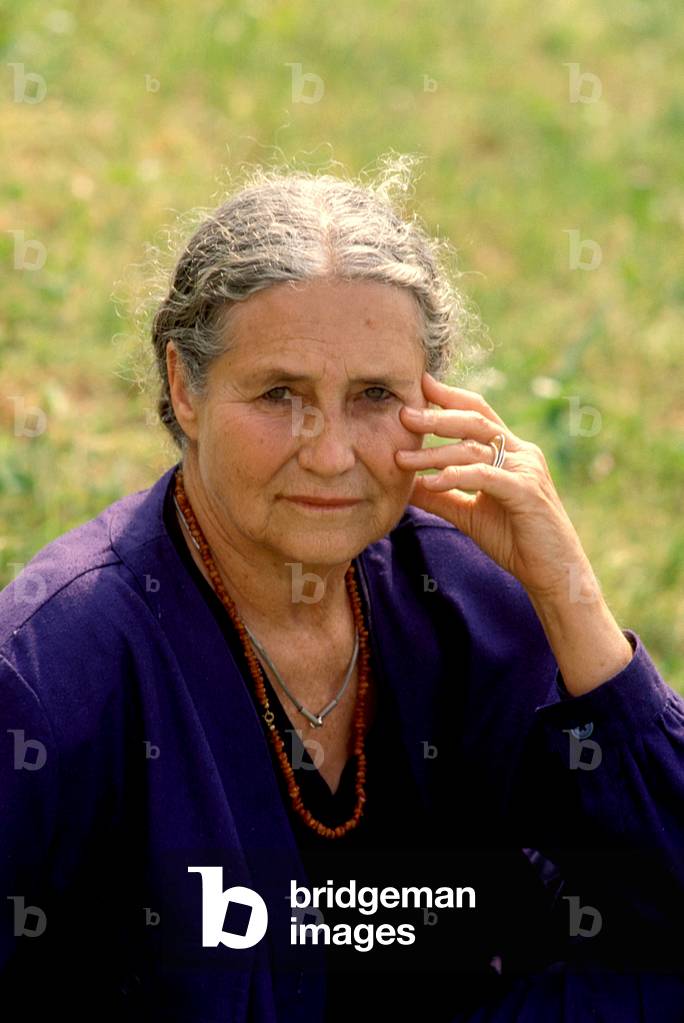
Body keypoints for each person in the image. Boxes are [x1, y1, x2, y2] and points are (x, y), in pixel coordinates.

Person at [1, 162, 683, 1023]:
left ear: (434, 402)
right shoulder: (55, 669)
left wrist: (570, 595)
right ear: (185, 387)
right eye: (279, 394)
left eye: (373, 396)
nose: (329, 454)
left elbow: (661, 902)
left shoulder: (468, 597)